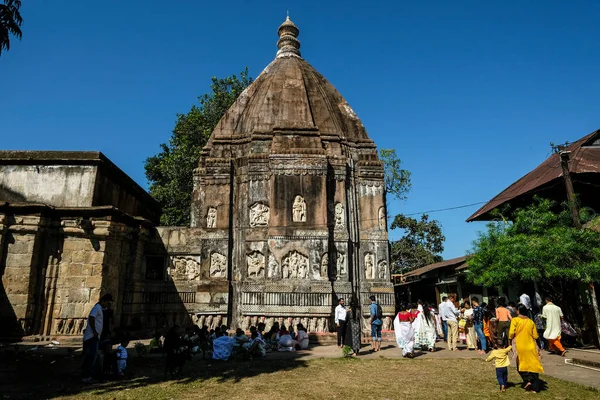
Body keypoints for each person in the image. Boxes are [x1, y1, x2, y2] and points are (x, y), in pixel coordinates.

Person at [509, 304, 544, 393]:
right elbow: (536, 335)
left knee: (520, 366)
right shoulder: (531, 321)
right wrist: (539, 347)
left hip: (520, 346)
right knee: (533, 366)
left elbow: (511, 333)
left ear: (518, 311)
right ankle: (535, 388)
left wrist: (509, 342)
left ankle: (528, 380)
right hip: (531, 346)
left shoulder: (515, 320)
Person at [81, 293, 113, 383]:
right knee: (91, 357)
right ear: (102, 301)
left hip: (95, 336)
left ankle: (89, 376)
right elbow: (91, 318)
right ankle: (86, 377)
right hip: (92, 337)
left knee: (92, 357)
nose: (107, 305)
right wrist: (94, 331)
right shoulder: (97, 308)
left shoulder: (100, 309)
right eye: (107, 303)